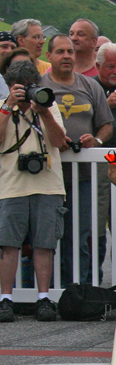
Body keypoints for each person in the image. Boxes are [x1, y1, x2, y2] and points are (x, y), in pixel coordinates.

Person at [0, 58, 69, 322]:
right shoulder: (3, 108)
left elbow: (58, 141)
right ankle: (5, 298)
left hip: (47, 184)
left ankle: (43, 298)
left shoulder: (48, 106)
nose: (27, 92)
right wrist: (9, 106)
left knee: (45, 244)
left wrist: (42, 111)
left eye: (31, 87)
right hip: (11, 185)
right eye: (21, 88)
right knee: (8, 245)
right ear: (9, 86)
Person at [41, 33, 113, 284]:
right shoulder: (40, 88)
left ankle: (78, 289)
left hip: (84, 178)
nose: (66, 56)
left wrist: (97, 141)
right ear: (48, 56)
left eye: (70, 51)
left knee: (80, 235)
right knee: (48, 235)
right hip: (47, 177)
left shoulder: (90, 86)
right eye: (60, 52)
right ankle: (48, 290)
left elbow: (106, 126)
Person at [95, 42, 116, 147]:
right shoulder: (89, 87)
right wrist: (106, 105)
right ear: (98, 66)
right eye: (110, 67)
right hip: (97, 153)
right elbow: (82, 120)